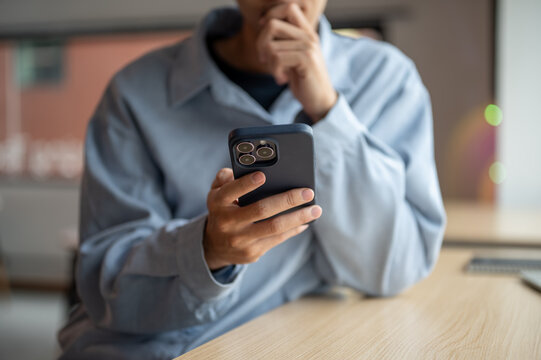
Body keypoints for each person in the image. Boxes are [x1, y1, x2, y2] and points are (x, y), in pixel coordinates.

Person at [58, 0, 446, 358]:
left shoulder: (385, 80)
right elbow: (103, 283)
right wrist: (208, 249)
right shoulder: (136, 92)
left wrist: (327, 111)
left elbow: (397, 268)